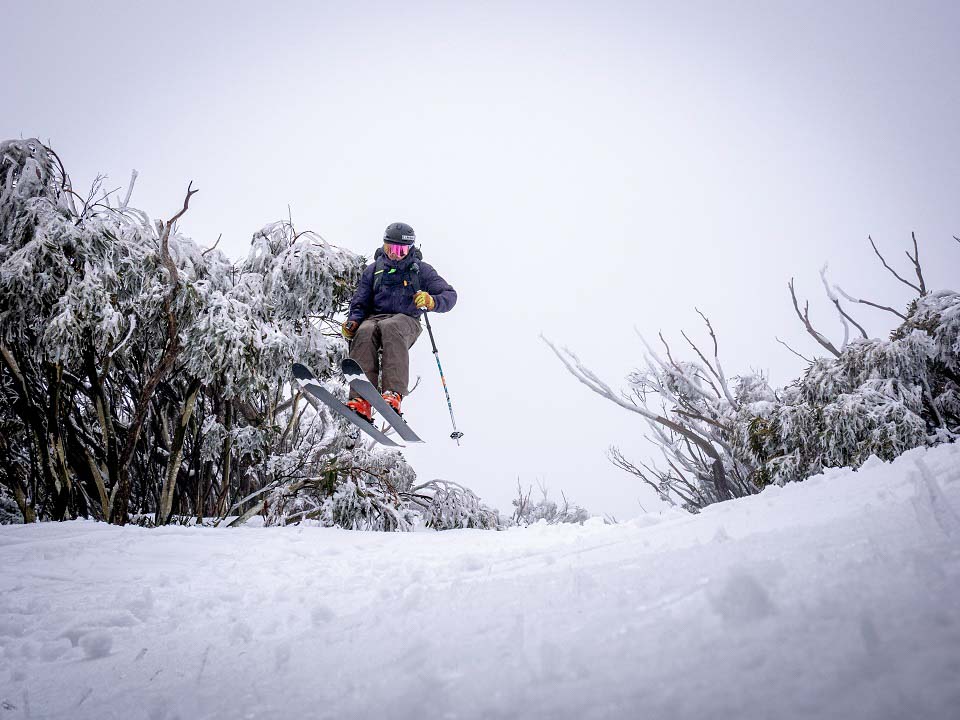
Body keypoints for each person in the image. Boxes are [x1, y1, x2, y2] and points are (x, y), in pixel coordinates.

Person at [341, 222, 457, 420]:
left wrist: (432, 301)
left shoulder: (421, 270)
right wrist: (353, 322)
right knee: (365, 330)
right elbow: (360, 302)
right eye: (390, 248)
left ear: (410, 249)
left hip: (407, 320)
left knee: (391, 326)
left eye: (400, 249)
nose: (394, 254)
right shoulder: (374, 270)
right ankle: (361, 400)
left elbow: (450, 295)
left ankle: (393, 394)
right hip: (375, 318)